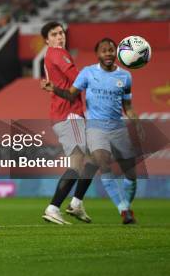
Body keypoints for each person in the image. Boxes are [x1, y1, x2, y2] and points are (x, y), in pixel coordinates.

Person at [42, 37, 143, 224]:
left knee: (123, 171)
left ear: (117, 53)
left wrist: (136, 122)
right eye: (104, 50)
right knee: (94, 163)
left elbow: (127, 106)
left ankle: (78, 203)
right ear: (97, 54)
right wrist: (54, 89)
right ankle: (122, 211)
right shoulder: (88, 73)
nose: (108, 54)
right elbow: (71, 94)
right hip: (94, 126)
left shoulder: (125, 77)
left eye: (111, 50)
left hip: (118, 128)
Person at [40, 22, 97, 225]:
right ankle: (53, 207)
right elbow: (78, 78)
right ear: (47, 40)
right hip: (68, 115)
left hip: (69, 114)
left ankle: (76, 203)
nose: (59, 37)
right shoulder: (57, 53)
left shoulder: (53, 54)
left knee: (93, 160)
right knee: (78, 161)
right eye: (54, 34)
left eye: (61, 33)